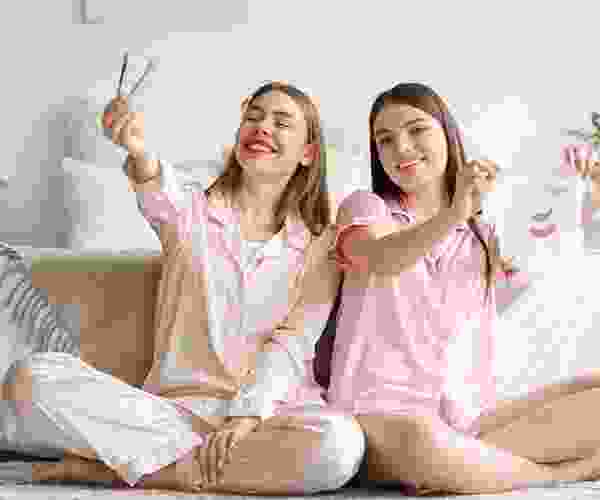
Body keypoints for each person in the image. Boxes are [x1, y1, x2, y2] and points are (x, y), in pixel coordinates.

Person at [1, 81, 365, 494]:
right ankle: (193, 465)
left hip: (270, 418)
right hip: (173, 414)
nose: (263, 127)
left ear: (308, 153)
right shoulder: (191, 210)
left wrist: (246, 416)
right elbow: (155, 182)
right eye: (254, 116)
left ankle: (130, 470)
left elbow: (293, 341)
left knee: (340, 445)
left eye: (282, 122)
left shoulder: (321, 244)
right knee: (30, 378)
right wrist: (137, 148)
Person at [326, 82, 600, 495]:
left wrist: (583, 197)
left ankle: (473, 465)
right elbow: (380, 259)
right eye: (385, 139)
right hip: (379, 420)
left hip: (464, 420)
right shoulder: (366, 207)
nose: (402, 148)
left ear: (448, 135)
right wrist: (455, 213)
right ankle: (561, 473)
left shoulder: (479, 235)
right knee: (423, 439)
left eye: (416, 130)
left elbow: (537, 280)